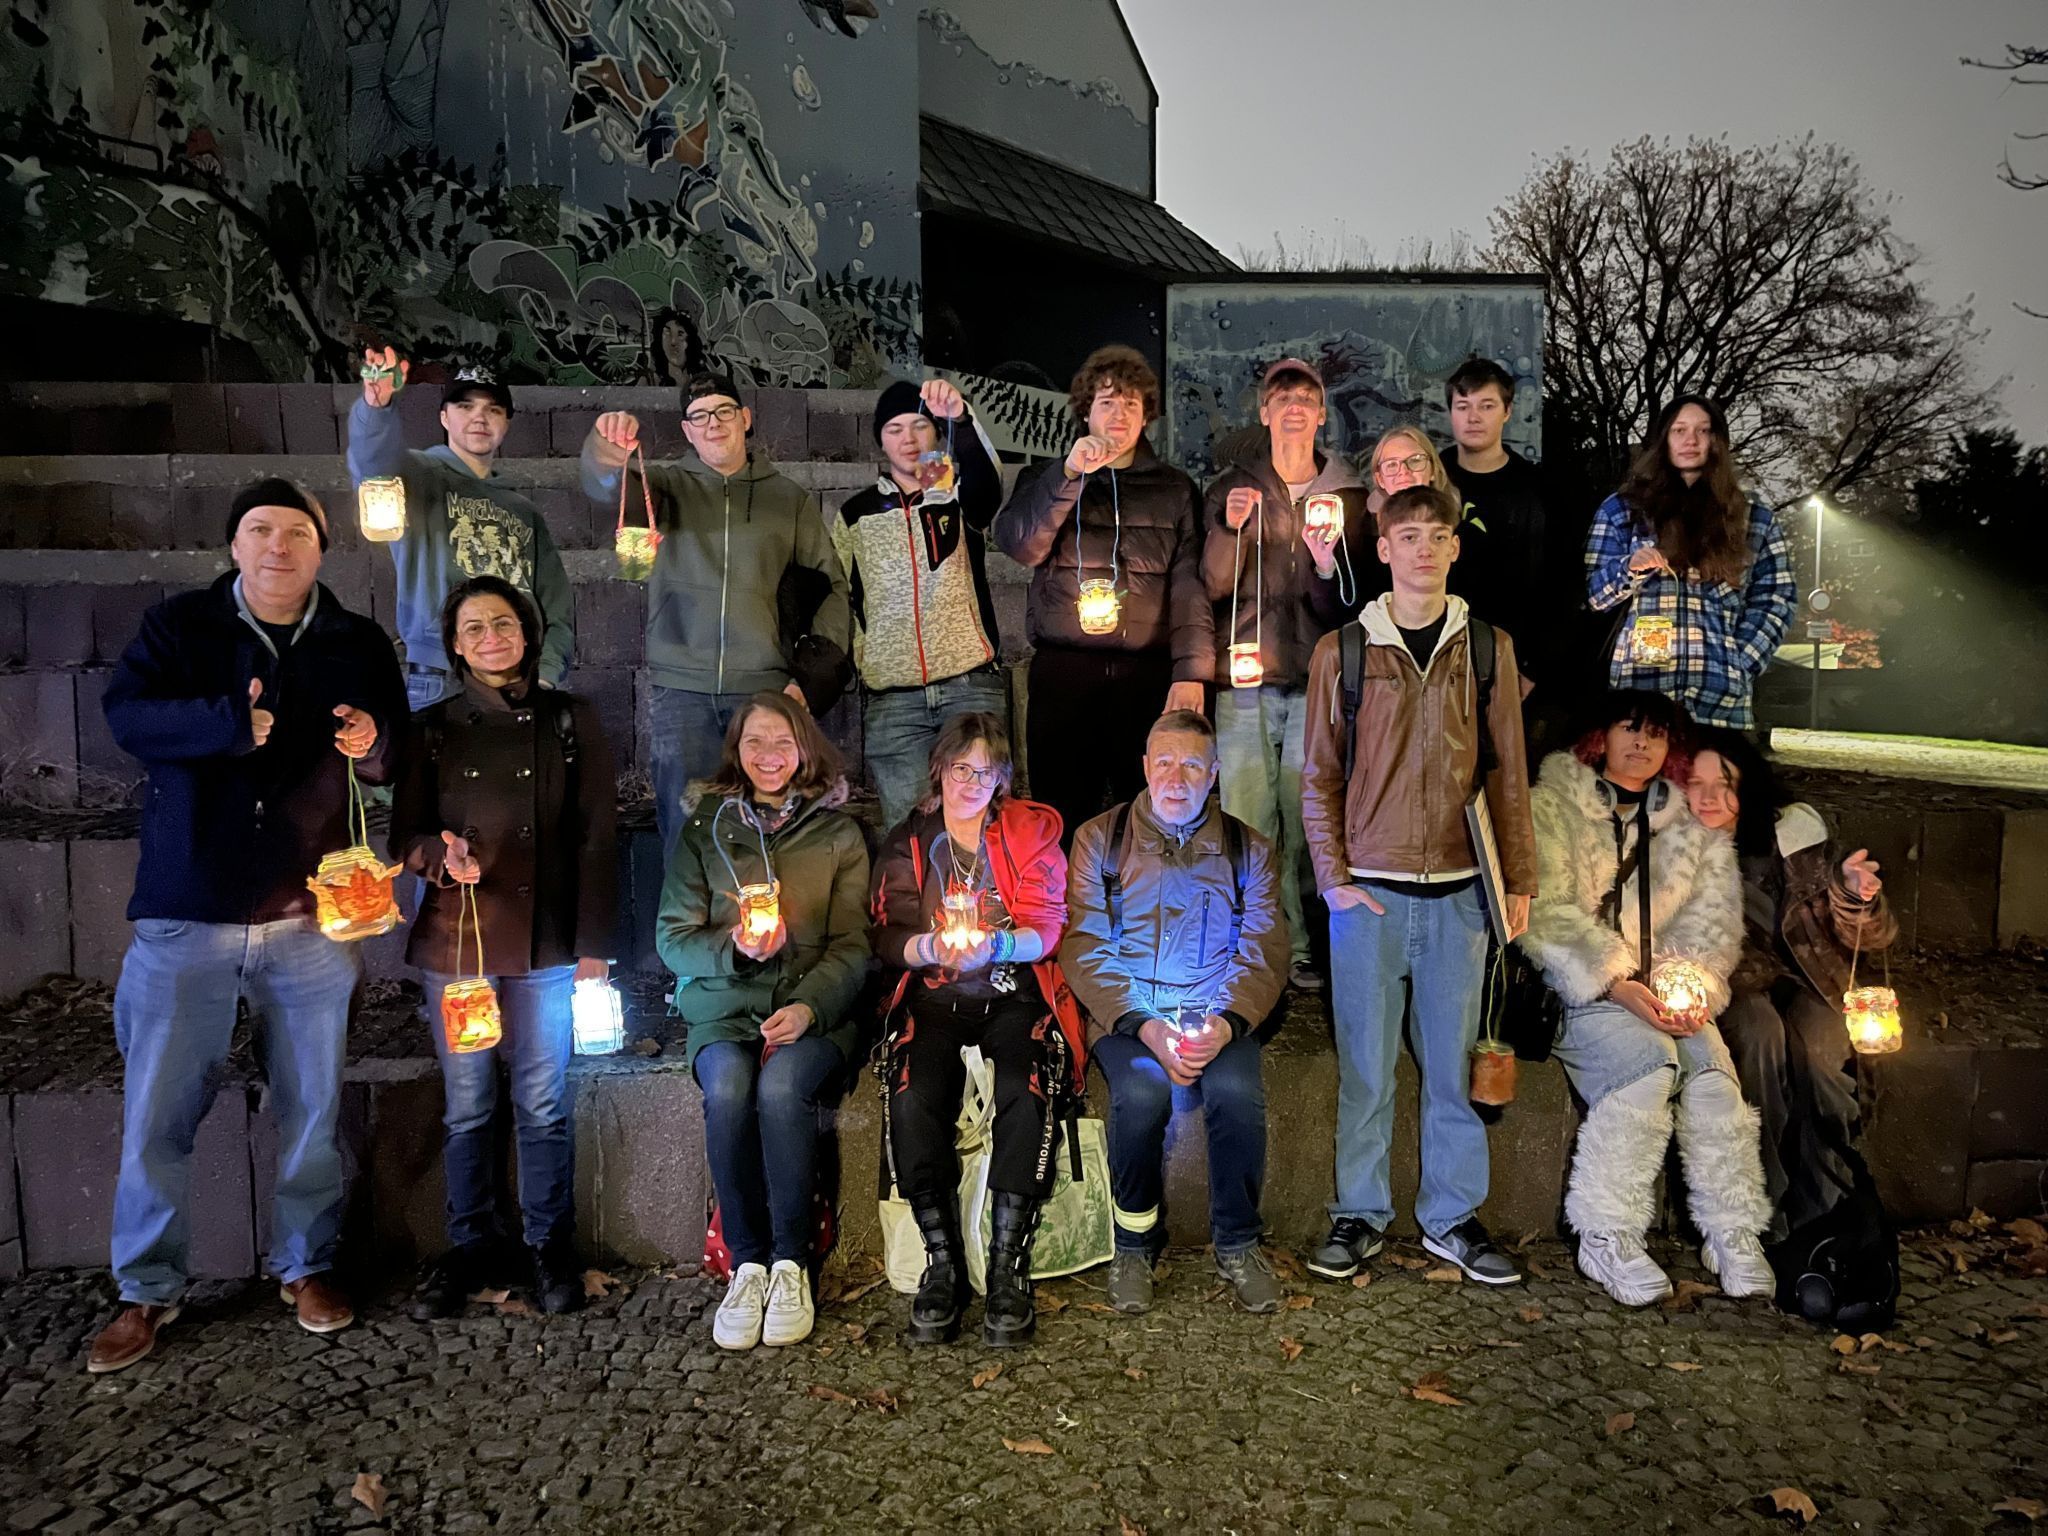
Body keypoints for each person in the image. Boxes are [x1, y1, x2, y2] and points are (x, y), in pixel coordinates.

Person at [89, 479, 406, 1373]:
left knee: (311, 1107)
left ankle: (306, 1266)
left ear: (319, 549)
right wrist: (232, 722)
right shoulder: (179, 628)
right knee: (158, 1114)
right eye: (260, 530)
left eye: (297, 532)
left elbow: (393, 753)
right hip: (189, 909)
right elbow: (127, 717)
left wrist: (371, 741)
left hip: (309, 916)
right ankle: (146, 1289)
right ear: (235, 546)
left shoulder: (354, 640)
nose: (279, 546)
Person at [1300, 483, 1536, 1287]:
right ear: (1384, 547)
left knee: (1452, 1070)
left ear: (1454, 548)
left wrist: (1519, 876)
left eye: (1438, 535)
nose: (1424, 549)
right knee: (1366, 1070)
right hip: (1369, 893)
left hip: (1462, 895)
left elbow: (1508, 773)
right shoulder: (1346, 651)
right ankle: (1360, 1215)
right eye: (1409, 536)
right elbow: (1318, 778)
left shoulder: (1490, 649)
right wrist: (1332, 880)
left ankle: (1451, 1217)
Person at [388, 577, 618, 1319]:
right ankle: (472, 1247)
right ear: (454, 643)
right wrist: (438, 856)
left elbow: (597, 839)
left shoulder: (570, 721)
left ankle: (551, 1244)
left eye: (506, 622)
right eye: (475, 626)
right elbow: (405, 836)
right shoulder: (432, 729)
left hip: (548, 940)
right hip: (460, 946)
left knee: (544, 1100)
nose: (493, 636)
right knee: (467, 1103)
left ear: (530, 630)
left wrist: (593, 947)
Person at [1517, 691, 1775, 1307]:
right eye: (1628, 729)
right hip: (1580, 988)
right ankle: (1607, 1234)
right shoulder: (1550, 806)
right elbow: (1541, 912)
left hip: (1663, 991)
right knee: (1647, 1070)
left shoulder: (1689, 824)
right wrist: (1614, 980)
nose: (1641, 744)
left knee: (1713, 1076)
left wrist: (1692, 989)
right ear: (1599, 738)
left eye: (1655, 735)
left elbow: (1712, 925)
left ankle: (1732, 1231)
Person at [657, 693, 871, 1351]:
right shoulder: (707, 831)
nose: (768, 755)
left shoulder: (837, 834)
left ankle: (791, 1261)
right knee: (728, 1090)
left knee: (782, 1091)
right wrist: (733, 951)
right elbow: (672, 937)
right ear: (737, 752)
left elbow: (855, 943)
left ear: (804, 747)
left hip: (812, 1012)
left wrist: (811, 1006)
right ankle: (746, 1264)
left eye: (782, 741)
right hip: (725, 1010)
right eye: (755, 742)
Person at [1061, 710, 1289, 1314]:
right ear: (1144, 767)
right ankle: (1134, 1244)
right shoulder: (1099, 840)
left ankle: (1238, 1240)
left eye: (1192, 764)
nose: (1177, 778)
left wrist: (1224, 1024)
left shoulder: (1248, 849)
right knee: (1139, 1096)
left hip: (1217, 1010)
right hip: (1129, 1014)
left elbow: (1264, 949)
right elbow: (1085, 945)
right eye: (1164, 762)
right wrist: (1144, 1026)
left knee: (1238, 1095)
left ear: (1214, 774)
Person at [869, 712, 1085, 1348]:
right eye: (960, 767)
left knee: (1026, 1082)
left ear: (1002, 780)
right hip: (935, 998)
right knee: (914, 1091)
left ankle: (1007, 1260)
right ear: (941, 768)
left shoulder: (1028, 834)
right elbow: (885, 936)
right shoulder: (910, 839)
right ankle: (943, 1262)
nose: (971, 780)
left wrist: (994, 945)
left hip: (1008, 992)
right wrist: (929, 949)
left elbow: (1048, 927)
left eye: (984, 771)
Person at [582, 372, 852, 857]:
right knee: (685, 834)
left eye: (724, 411)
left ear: (745, 419)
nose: (713, 424)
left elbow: (831, 587)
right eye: (699, 416)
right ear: (687, 430)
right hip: (681, 691)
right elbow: (604, 483)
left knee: (766, 831)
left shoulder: (788, 499)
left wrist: (811, 682)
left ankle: (761, 934)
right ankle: (683, 934)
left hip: (763, 690)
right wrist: (606, 444)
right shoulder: (663, 486)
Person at [993, 345, 1212, 843]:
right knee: (1060, 811)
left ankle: (1147, 916)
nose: (1119, 414)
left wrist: (1192, 672)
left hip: (1145, 673)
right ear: (1086, 410)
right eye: (1107, 402)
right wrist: (1068, 477)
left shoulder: (1174, 488)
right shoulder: (1047, 476)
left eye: (1131, 404)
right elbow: (1020, 546)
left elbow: (1188, 585)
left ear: (1147, 416)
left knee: (1150, 811)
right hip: (1066, 671)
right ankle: (1062, 918)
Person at [1684, 729, 1895, 1242]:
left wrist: (1853, 894)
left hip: (1810, 981)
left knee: (1819, 1054)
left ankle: (1831, 1202)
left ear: (1749, 787)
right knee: (1759, 1038)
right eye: (1696, 783)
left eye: (1725, 783)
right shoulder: (1676, 846)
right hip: (1732, 985)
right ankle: (1764, 1207)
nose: (1709, 797)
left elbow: (1874, 936)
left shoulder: (1795, 840)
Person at [1201, 358, 1368, 993]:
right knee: (1247, 816)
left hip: (1317, 684)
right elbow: (1212, 584)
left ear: (1322, 413)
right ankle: (1257, 942)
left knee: (1307, 821)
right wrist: (1229, 529)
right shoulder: (1231, 488)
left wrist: (1326, 566)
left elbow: (1350, 605)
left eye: (1306, 396)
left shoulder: (1349, 497)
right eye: (1281, 396)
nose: (1294, 405)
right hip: (1244, 682)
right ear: (1265, 413)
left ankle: (1301, 949)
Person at [347, 351, 575, 709]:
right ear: (444, 417)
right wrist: (376, 408)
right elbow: (373, 462)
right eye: (465, 407)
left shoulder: (523, 510)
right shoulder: (417, 476)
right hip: (440, 677)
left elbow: (556, 603)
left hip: (516, 677)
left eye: (493, 409)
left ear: (506, 423)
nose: (479, 418)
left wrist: (545, 673)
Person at [832, 376, 1008, 831]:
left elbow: (988, 487)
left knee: (982, 823)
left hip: (969, 687)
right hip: (894, 702)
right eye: (894, 429)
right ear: (880, 441)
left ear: (935, 433)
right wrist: (863, 660)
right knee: (906, 832)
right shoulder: (855, 514)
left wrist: (961, 421)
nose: (908, 439)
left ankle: (987, 906)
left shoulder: (955, 495)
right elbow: (841, 596)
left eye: (919, 425)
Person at [1586, 396, 1796, 730]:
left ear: (1718, 441)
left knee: (1709, 782)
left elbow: (1776, 599)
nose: (1691, 440)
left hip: (1719, 696)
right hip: (1642, 688)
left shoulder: (1752, 517)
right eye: (1679, 430)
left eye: (1703, 430)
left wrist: (1739, 660)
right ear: (1662, 439)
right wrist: (1629, 567)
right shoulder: (1623, 509)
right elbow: (1595, 593)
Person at [1439, 357, 1548, 697]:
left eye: (1486, 405)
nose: (1473, 417)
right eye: (1463, 406)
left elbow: (1562, 582)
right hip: (1438, 660)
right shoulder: (1430, 479)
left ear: (1507, 411)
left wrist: (1534, 667)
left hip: (1514, 664)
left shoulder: (1539, 489)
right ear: (1451, 413)